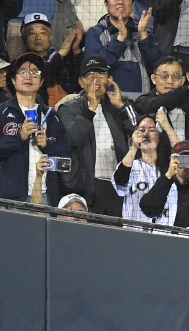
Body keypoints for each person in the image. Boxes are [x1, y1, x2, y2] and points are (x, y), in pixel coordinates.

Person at [57, 54, 136, 215]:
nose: (95, 79)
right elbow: (70, 139)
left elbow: (140, 134)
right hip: (87, 189)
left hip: (118, 188)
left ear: (110, 79)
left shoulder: (119, 105)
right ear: (81, 82)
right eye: (89, 74)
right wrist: (91, 108)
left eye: (101, 74)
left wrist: (121, 107)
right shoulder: (68, 108)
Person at [0, 52, 71, 203]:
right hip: (8, 198)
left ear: (41, 81)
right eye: (23, 72)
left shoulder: (52, 116)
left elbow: (66, 158)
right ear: (13, 80)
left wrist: (48, 146)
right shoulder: (2, 113)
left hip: (45, 196)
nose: (29, 76)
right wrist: (19, 137)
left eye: (35, 72)